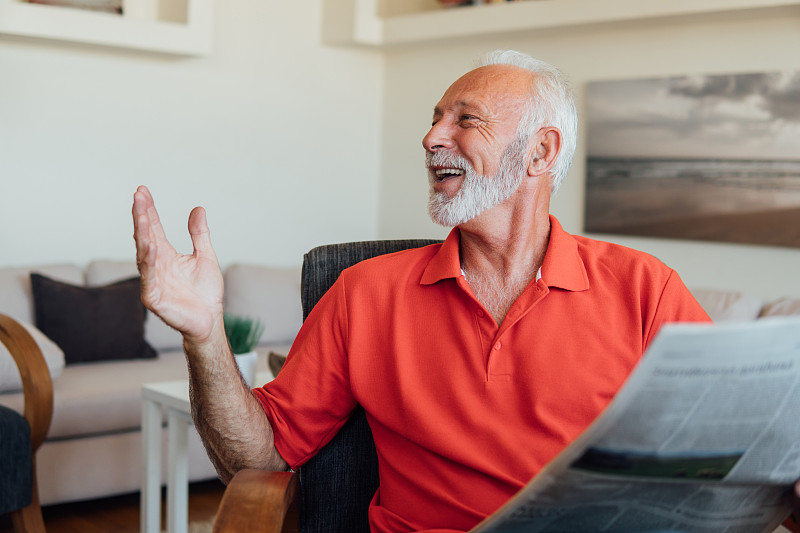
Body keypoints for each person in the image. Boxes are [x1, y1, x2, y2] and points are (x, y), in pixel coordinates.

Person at [132, 50, 799, 533]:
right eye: (433, 118)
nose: (430, 137)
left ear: (540, 154)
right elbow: (257, 454)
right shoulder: (364, 292)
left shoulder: (643, 287)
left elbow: (732, 450)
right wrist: (204, 335)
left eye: (465, 120)